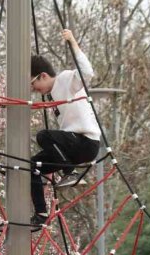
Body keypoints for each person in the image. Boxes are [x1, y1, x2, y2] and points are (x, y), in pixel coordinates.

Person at [29, 29, 101, 228]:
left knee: (44, 136)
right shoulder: (53, 94)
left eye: (34, 85)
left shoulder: (65, 79)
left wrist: (73, 42)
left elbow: (86, 72)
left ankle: (69, 172)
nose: (35, 91)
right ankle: (41, 214)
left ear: (43, 76)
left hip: (86, 142)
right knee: (33, 165)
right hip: (72, 148)